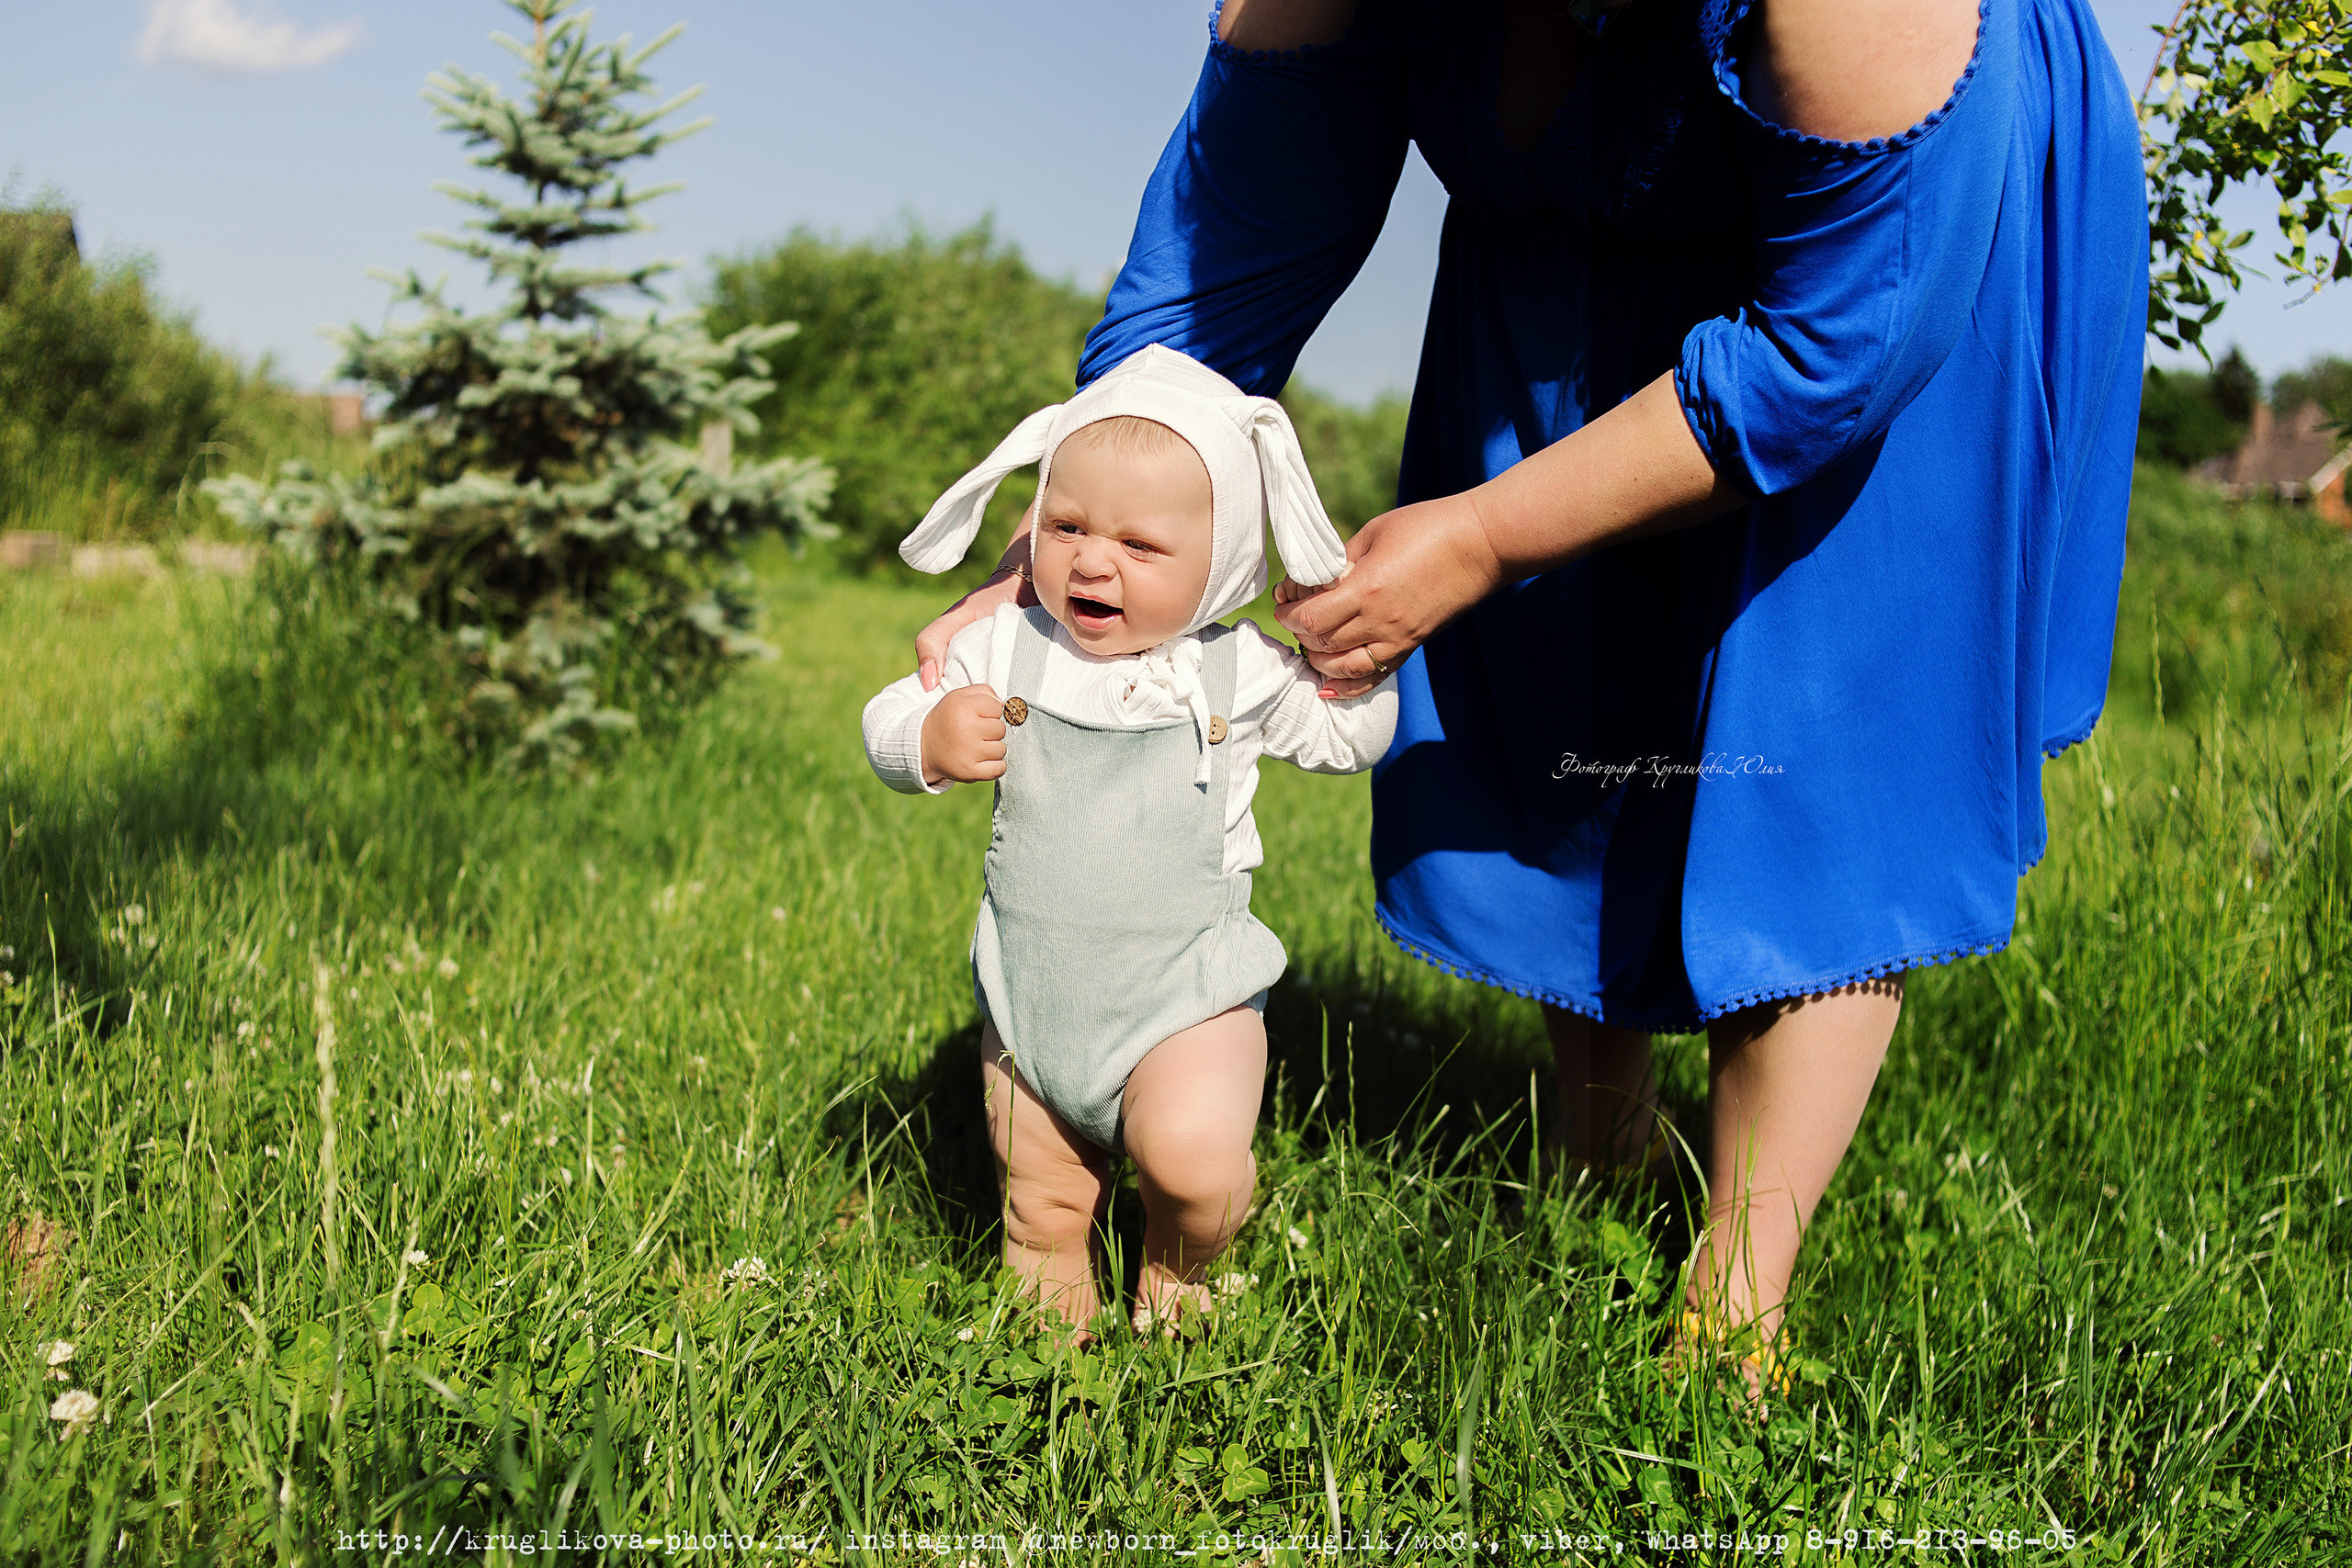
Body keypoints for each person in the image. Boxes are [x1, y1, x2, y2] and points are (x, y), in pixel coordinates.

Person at [914, 0, 2148, 1388]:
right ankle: (1600, 1151)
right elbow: (1223, 266)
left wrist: (1485, 535)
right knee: (1571, 678)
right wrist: (1061, 539)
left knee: (1807, 729)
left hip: (1886, 271)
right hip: (1559, 273)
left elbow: (1831, 353)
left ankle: (1737, 1301)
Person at [866, 345, 1396, 1341]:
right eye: (1066, 526)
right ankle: (1046, 1370)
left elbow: (1345, 740)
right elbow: (889, 714)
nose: (1092, 561)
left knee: (1198, 1171)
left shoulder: (1235, 670)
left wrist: (1354, 668)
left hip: (1186, 995)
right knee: (1041, 1206)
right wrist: (924, 740)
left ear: (1224, 559)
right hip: (1035, 1004)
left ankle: (1178, 1270)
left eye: (1141, 545)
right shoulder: (1009, 646)